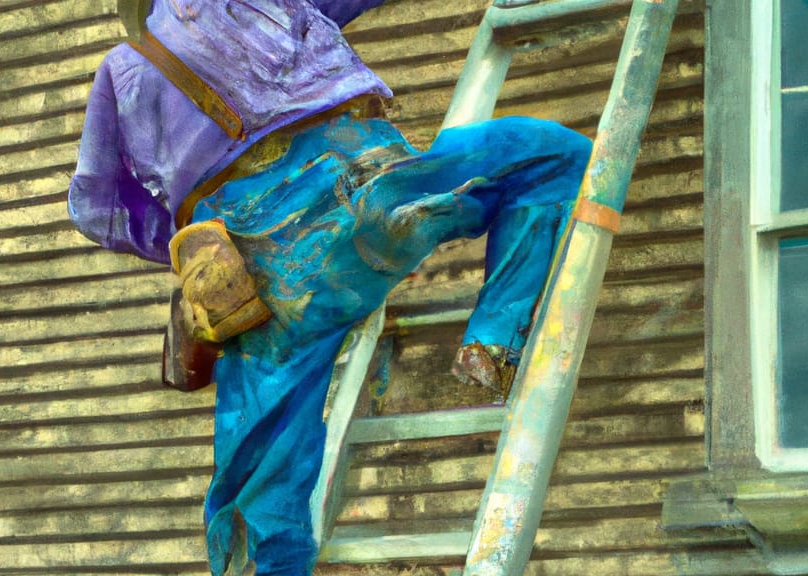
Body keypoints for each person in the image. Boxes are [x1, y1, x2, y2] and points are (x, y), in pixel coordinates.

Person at [68, 1, 592, 574]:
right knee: (553, 157)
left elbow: (95, 209)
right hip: (375, 199)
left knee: (261, 487)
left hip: (263, 276)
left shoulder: (123, 68)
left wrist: (186, 236)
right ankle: (492, 341)